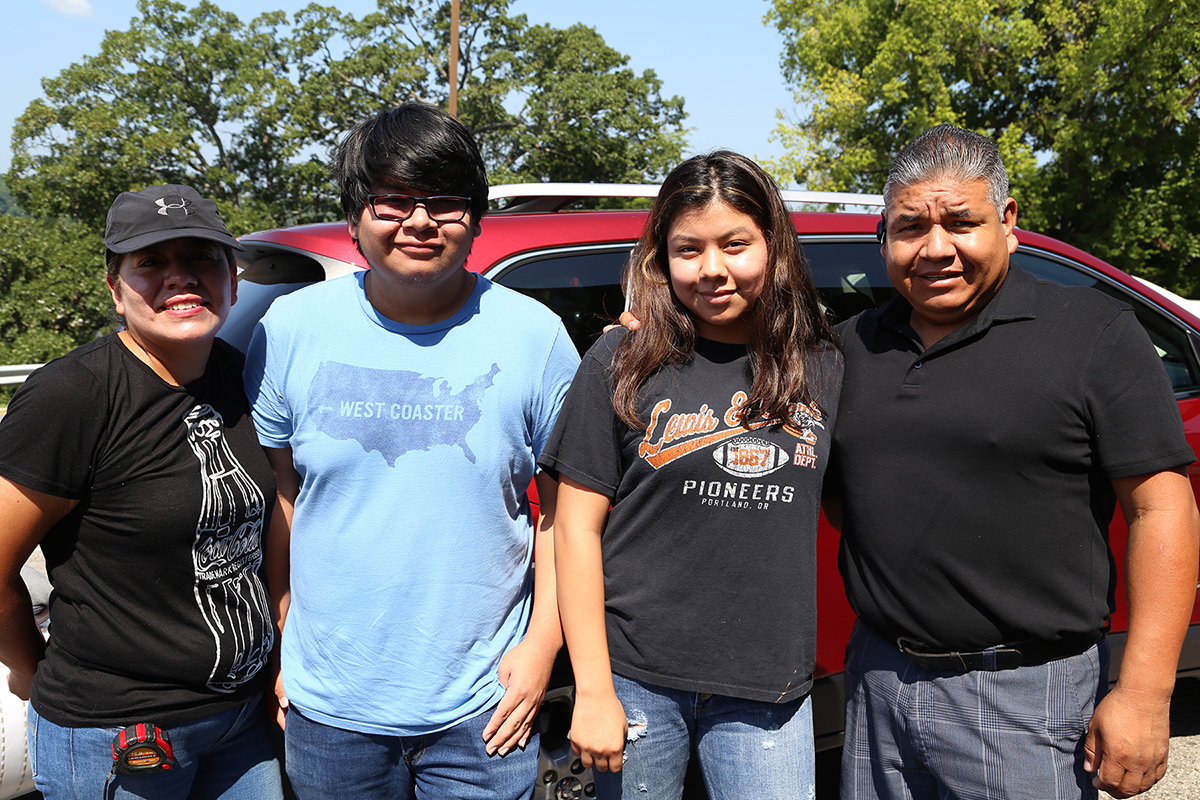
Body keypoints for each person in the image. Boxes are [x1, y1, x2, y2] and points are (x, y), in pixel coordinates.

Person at [829, 124, 1200, 800]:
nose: (935, 248)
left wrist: (1145, 691)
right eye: (910, 227)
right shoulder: (846, 350)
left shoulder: (1091, 333)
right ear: (884, 233)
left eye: (961, 222)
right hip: (876, 681)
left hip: (1029, 699)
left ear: (1007, 221)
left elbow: (1161, 506)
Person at [242, 102, 579, 799]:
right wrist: (282, 637)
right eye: (393, 200)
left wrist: (542, 648)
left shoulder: (535, 337)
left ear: (477, 217)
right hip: (330, 707)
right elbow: (281, 495)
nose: (419, 221)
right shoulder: (290, 328)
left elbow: (564, 517)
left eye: (445, 202)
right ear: (355, 216)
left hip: (485, 709)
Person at [541, 151, 842, 799]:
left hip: (769, 690)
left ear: (774, 245)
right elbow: (574, 531)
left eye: (735, 244)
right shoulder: (621, 362)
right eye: (688, 249)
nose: (712, 270)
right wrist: (591, 689)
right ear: (660, 258)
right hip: (638, 680)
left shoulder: (823, 366)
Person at [0, 184, 283, 799]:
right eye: (151, 263)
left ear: (231, 278)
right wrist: (30, 669)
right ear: (114, 288)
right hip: (121, 733)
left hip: (240, 720)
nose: (181, 278)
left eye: (201, 258)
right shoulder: (72, 396)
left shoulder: (244, 376)